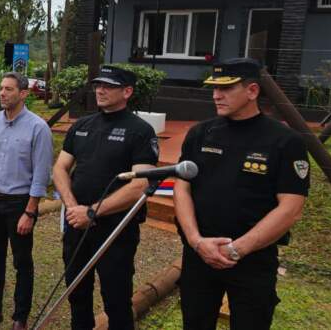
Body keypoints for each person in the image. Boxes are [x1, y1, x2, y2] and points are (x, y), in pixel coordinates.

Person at [174, 59, 309, 330]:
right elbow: (182, 187)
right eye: (213, 88)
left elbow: (291, 208)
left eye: (226, 89)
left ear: (252, 91)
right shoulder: (200, 133)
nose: (216, 95)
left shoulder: (285, 141)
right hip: (199, 256)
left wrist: (237, 250)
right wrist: (196, 241)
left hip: (253, 260)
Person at [52, 65, 158, 330]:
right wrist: (73, 208)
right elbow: (60, 168)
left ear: (127, 92)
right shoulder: (83, 125)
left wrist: (93, 212)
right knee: (77, 293)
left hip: (116, 230)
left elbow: (141, 184)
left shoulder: (141, 131)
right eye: (98, 85)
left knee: (116, 299)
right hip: (77, 225)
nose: (100, 90)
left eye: (108, 86)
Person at [0, 72, 54, 330]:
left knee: (22, 261)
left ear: (23, 94)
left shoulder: (38, 127)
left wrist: (30, 212)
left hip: (19, 204)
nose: (2, 93)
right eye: (1, 88)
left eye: (8, 89)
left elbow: (41, 174)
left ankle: (20, 317)